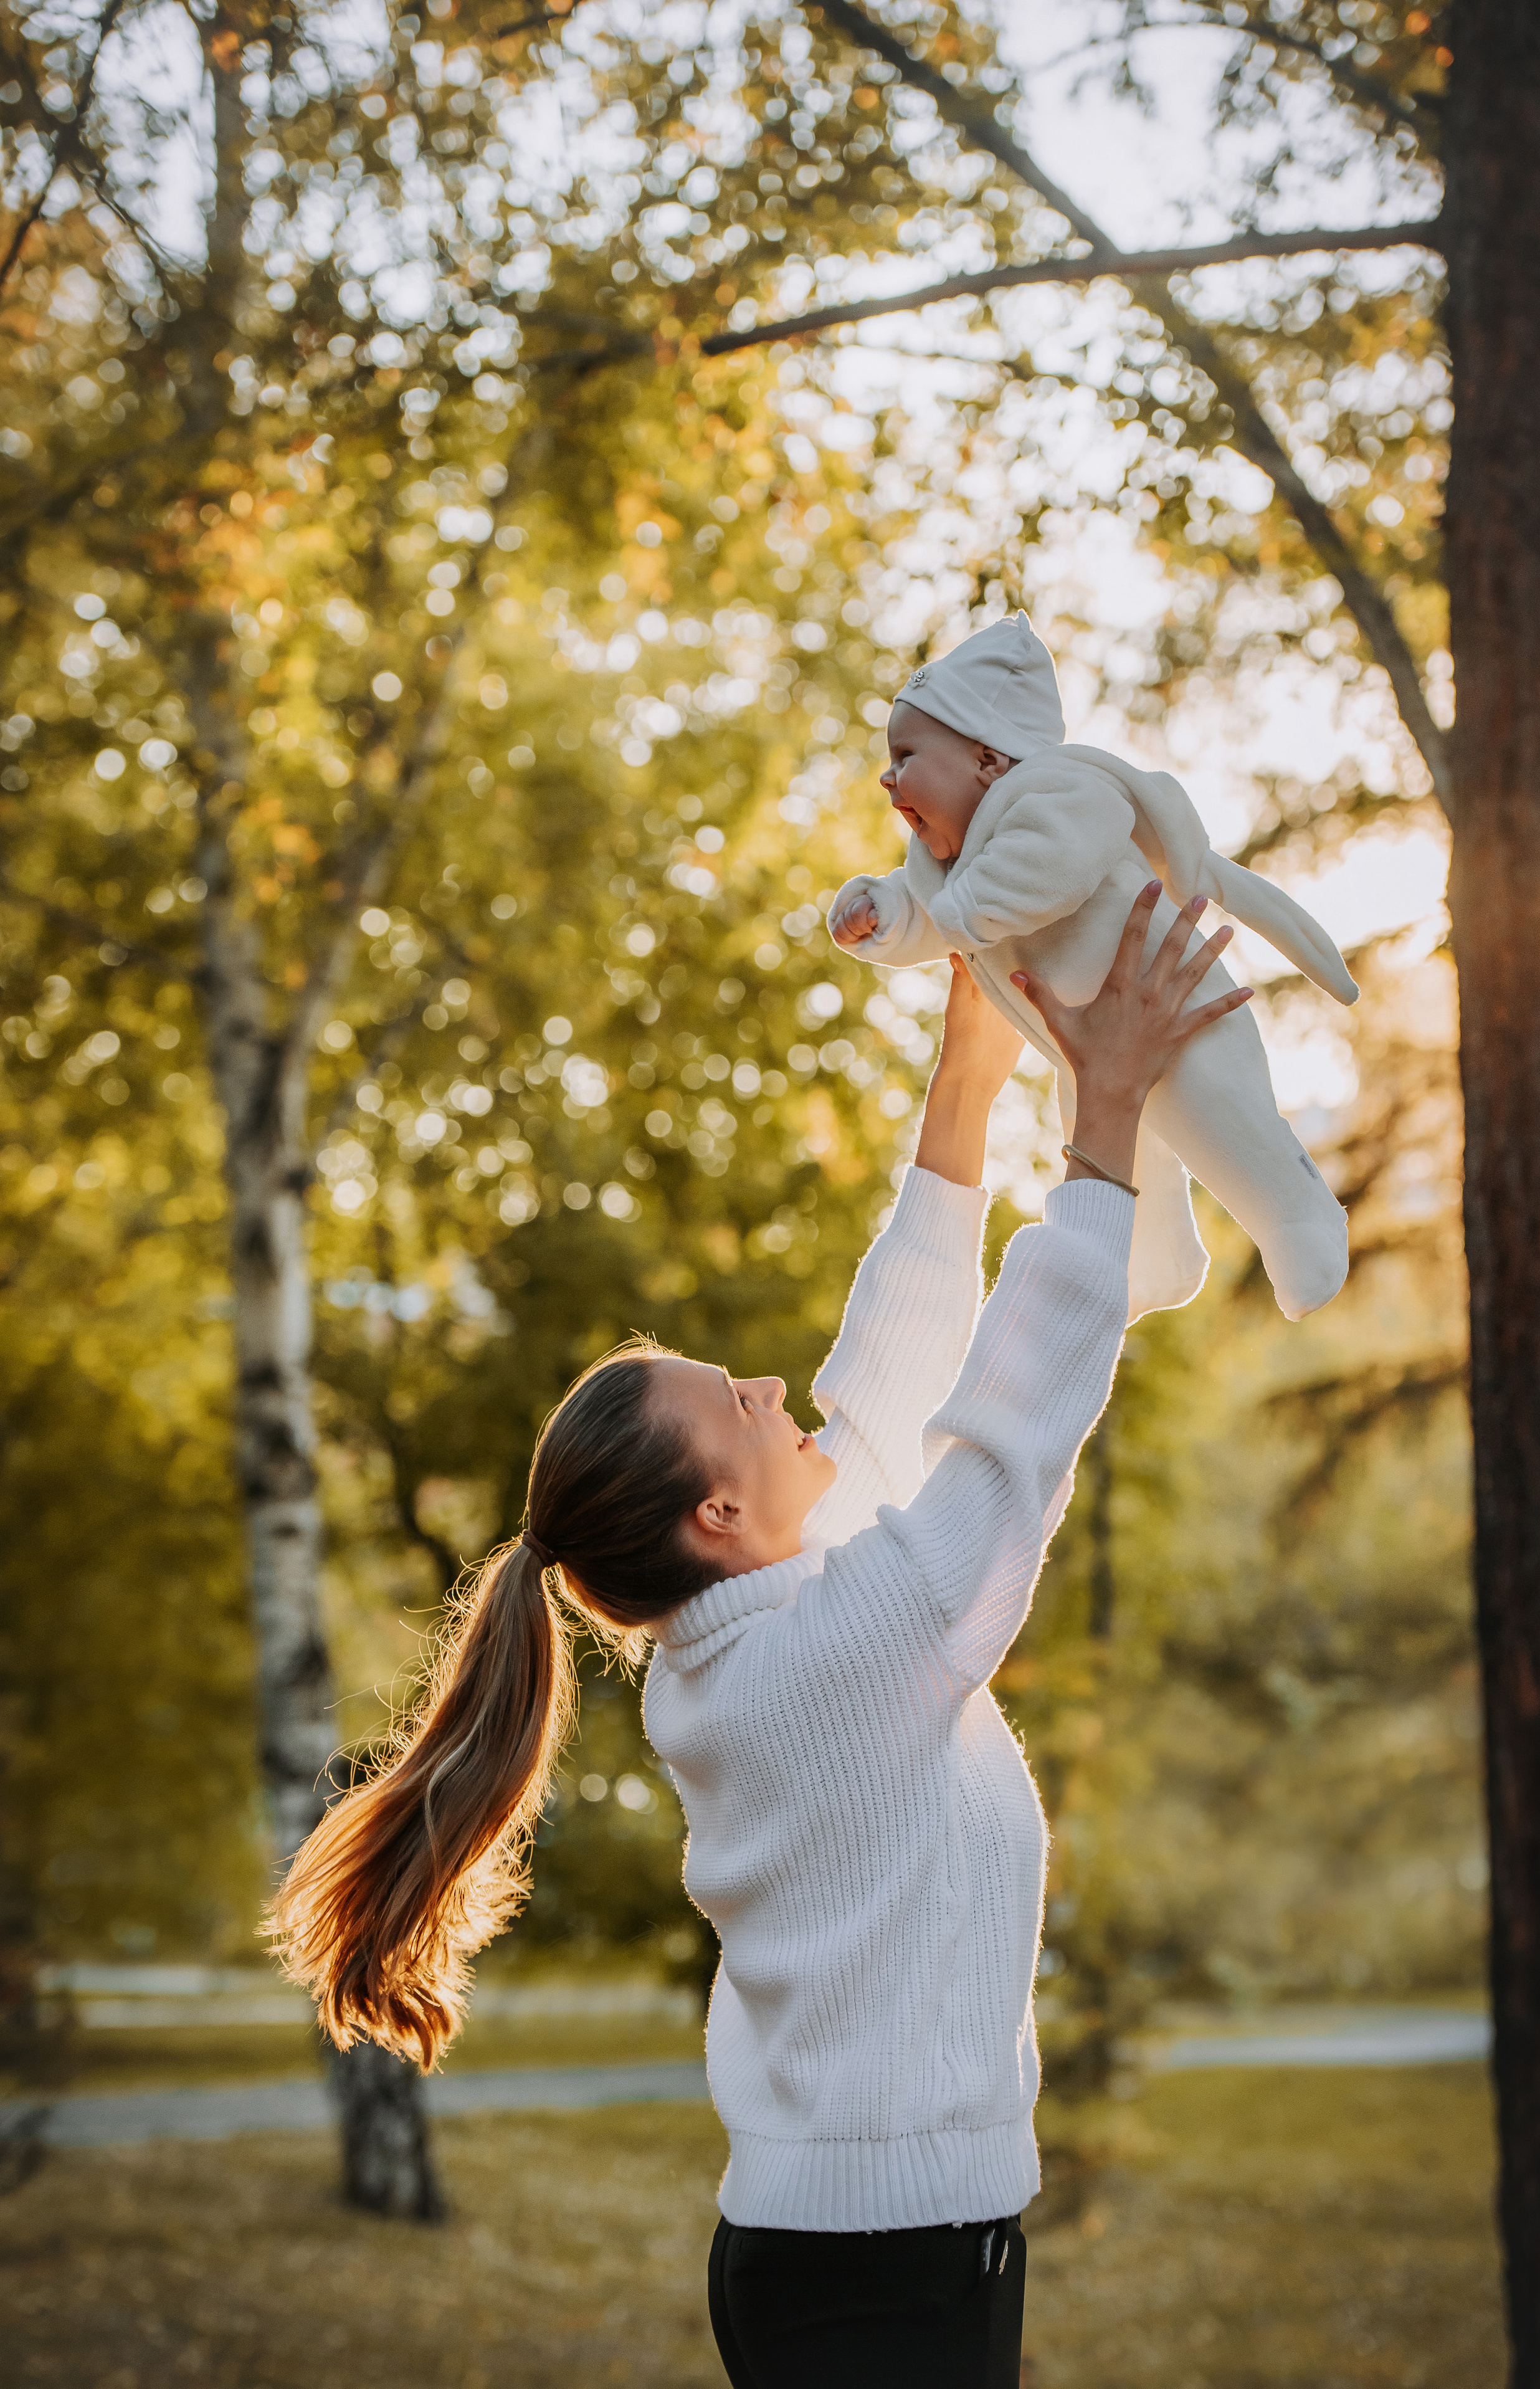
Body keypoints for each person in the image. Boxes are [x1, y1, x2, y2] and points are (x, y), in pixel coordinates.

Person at [269, 882, 1252, 2387]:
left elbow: (892, 1370)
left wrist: (966, 1066)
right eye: (734, 1401)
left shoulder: (773, 1633)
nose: (774, 1392)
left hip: (874, 2259)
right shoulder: (828, 1658)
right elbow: (1003, 1440)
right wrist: (1100, 1130)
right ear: (716, 1518)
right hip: (881, 2285)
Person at [827, 611, 1353, 1324]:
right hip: (1085, 1046)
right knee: (1119, 1160)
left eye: (906, 755)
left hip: (1174, 1006)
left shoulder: (1058, 792)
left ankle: (1301, 1219)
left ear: (987, 759)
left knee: (1222, 1122)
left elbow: (1041, 873)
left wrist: (947, 917)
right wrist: (876, 914)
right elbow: (929, 915)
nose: (888, 779)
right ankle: (1156, 1263)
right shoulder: (951, 871)